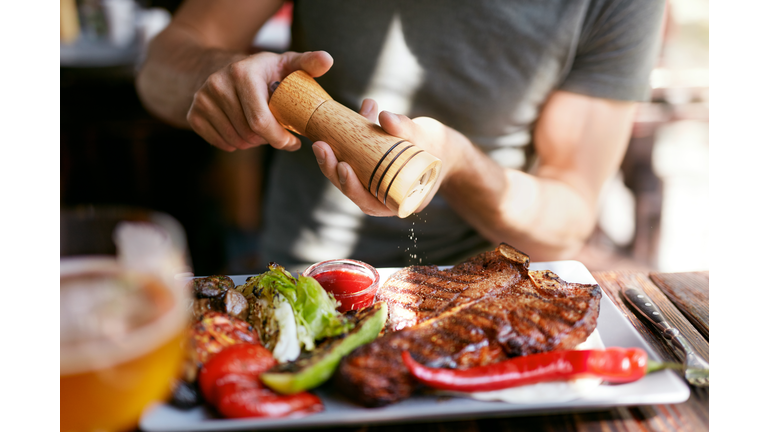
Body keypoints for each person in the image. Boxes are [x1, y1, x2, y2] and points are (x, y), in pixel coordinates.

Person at [136, 0, 666, 270]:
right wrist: (218, 73)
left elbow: (566, 219)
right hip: (302, 275)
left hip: (483, 290)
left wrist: (456, 163)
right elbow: (161, 62)